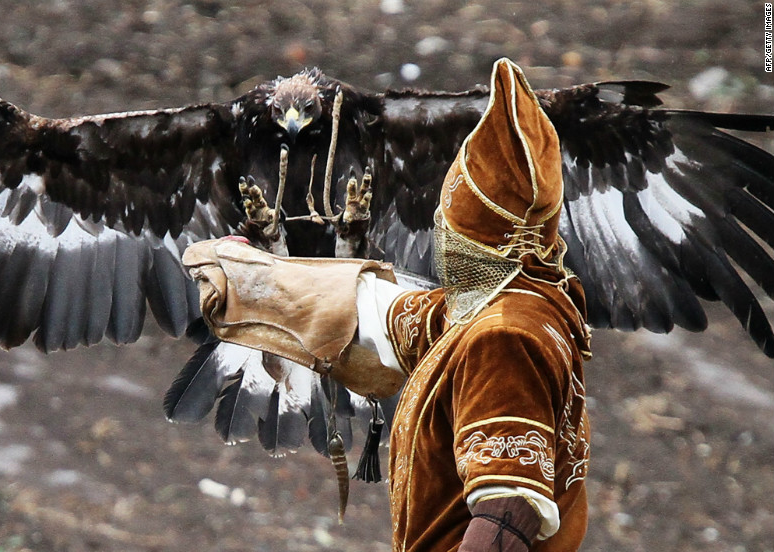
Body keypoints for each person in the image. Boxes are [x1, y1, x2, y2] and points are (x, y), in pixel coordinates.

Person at [182, 58, 591, 552]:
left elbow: (509, 511)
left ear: (487, 244)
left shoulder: (503, 338)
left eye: (456, 233)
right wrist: (270, 285)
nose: (444, 242)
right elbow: (404, 318)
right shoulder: (522, 297)